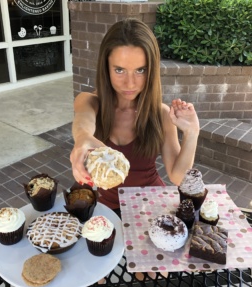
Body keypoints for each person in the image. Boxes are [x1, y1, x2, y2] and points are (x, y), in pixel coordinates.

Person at [70, 18, 200, 218]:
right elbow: (83, 119)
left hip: (153, 205)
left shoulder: (161, 114)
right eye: (119, 70)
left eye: (141, 70)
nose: (130, 83)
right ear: (106, 68)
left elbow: (178, 177)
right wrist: (82, 137)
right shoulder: (90, 102)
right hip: (108, 209)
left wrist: (192, 132)